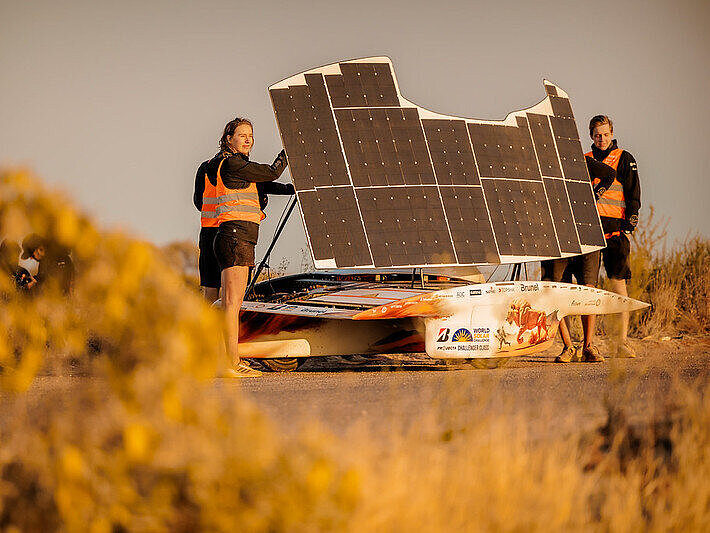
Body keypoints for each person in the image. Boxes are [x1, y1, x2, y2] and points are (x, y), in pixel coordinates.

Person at [206, 117, 288, 377]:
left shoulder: (241, 168)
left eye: (250, 135)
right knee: (231, 305)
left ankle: (225, 360)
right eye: (242, 135)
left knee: (231, 304)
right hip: (234, 238)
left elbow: (268, 183)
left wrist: (298, 189)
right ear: (228, 139)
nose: (248, 139)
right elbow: (271, 172)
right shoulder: (231, 162)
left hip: (238, 238)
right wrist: (288, 153)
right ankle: (231, 363)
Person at [541, 156, 616, 363]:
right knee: (555, 290)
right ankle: (568, 347)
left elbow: (610, 174)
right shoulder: (541, 161)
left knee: (588, 289)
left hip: (586, 233)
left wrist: (593, 196)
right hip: (556, 234)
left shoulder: (579, 158)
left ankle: (588, 346)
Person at [193, 159, 294, 304]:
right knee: (232, 292)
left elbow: (198, 202)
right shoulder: (239, 168)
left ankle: (209, 325)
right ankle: (228, 324)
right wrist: (292, 188)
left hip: (208, 233)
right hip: (232, 232)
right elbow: (268, 184)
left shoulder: (205, 167)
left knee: (211, 287)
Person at [586, 115, 641, 358]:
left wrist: (631, 220)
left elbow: (633, 194)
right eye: (598, 135)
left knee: (618, 286)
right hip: (588, 233)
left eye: (606, 134)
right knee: (589, 288)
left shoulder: (624, 158)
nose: (602, 139)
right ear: (591, 136)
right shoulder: (584, 160)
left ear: (611, 133)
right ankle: (589, 343)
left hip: (616, 232)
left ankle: (622, 342)